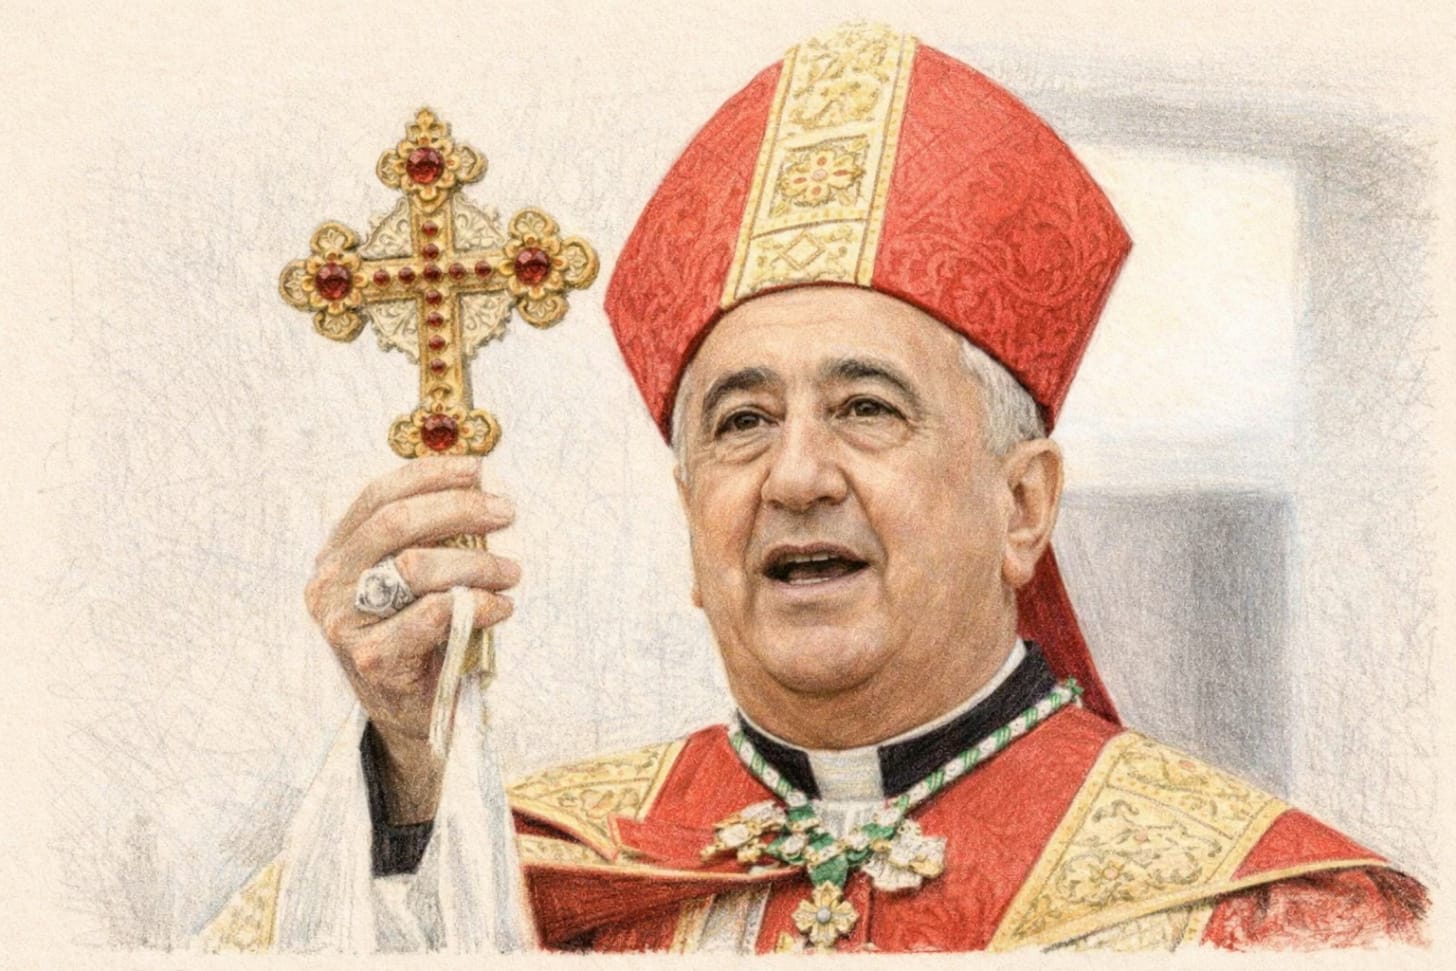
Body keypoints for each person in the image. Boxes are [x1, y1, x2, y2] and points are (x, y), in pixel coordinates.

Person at [203, 22, 1426, 953]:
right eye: (741, 422)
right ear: (689, 520)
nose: (795, 475)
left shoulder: (1266, 916)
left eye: (865, 407)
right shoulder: (531, 869)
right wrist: (413, 766)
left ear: (1022, 505)